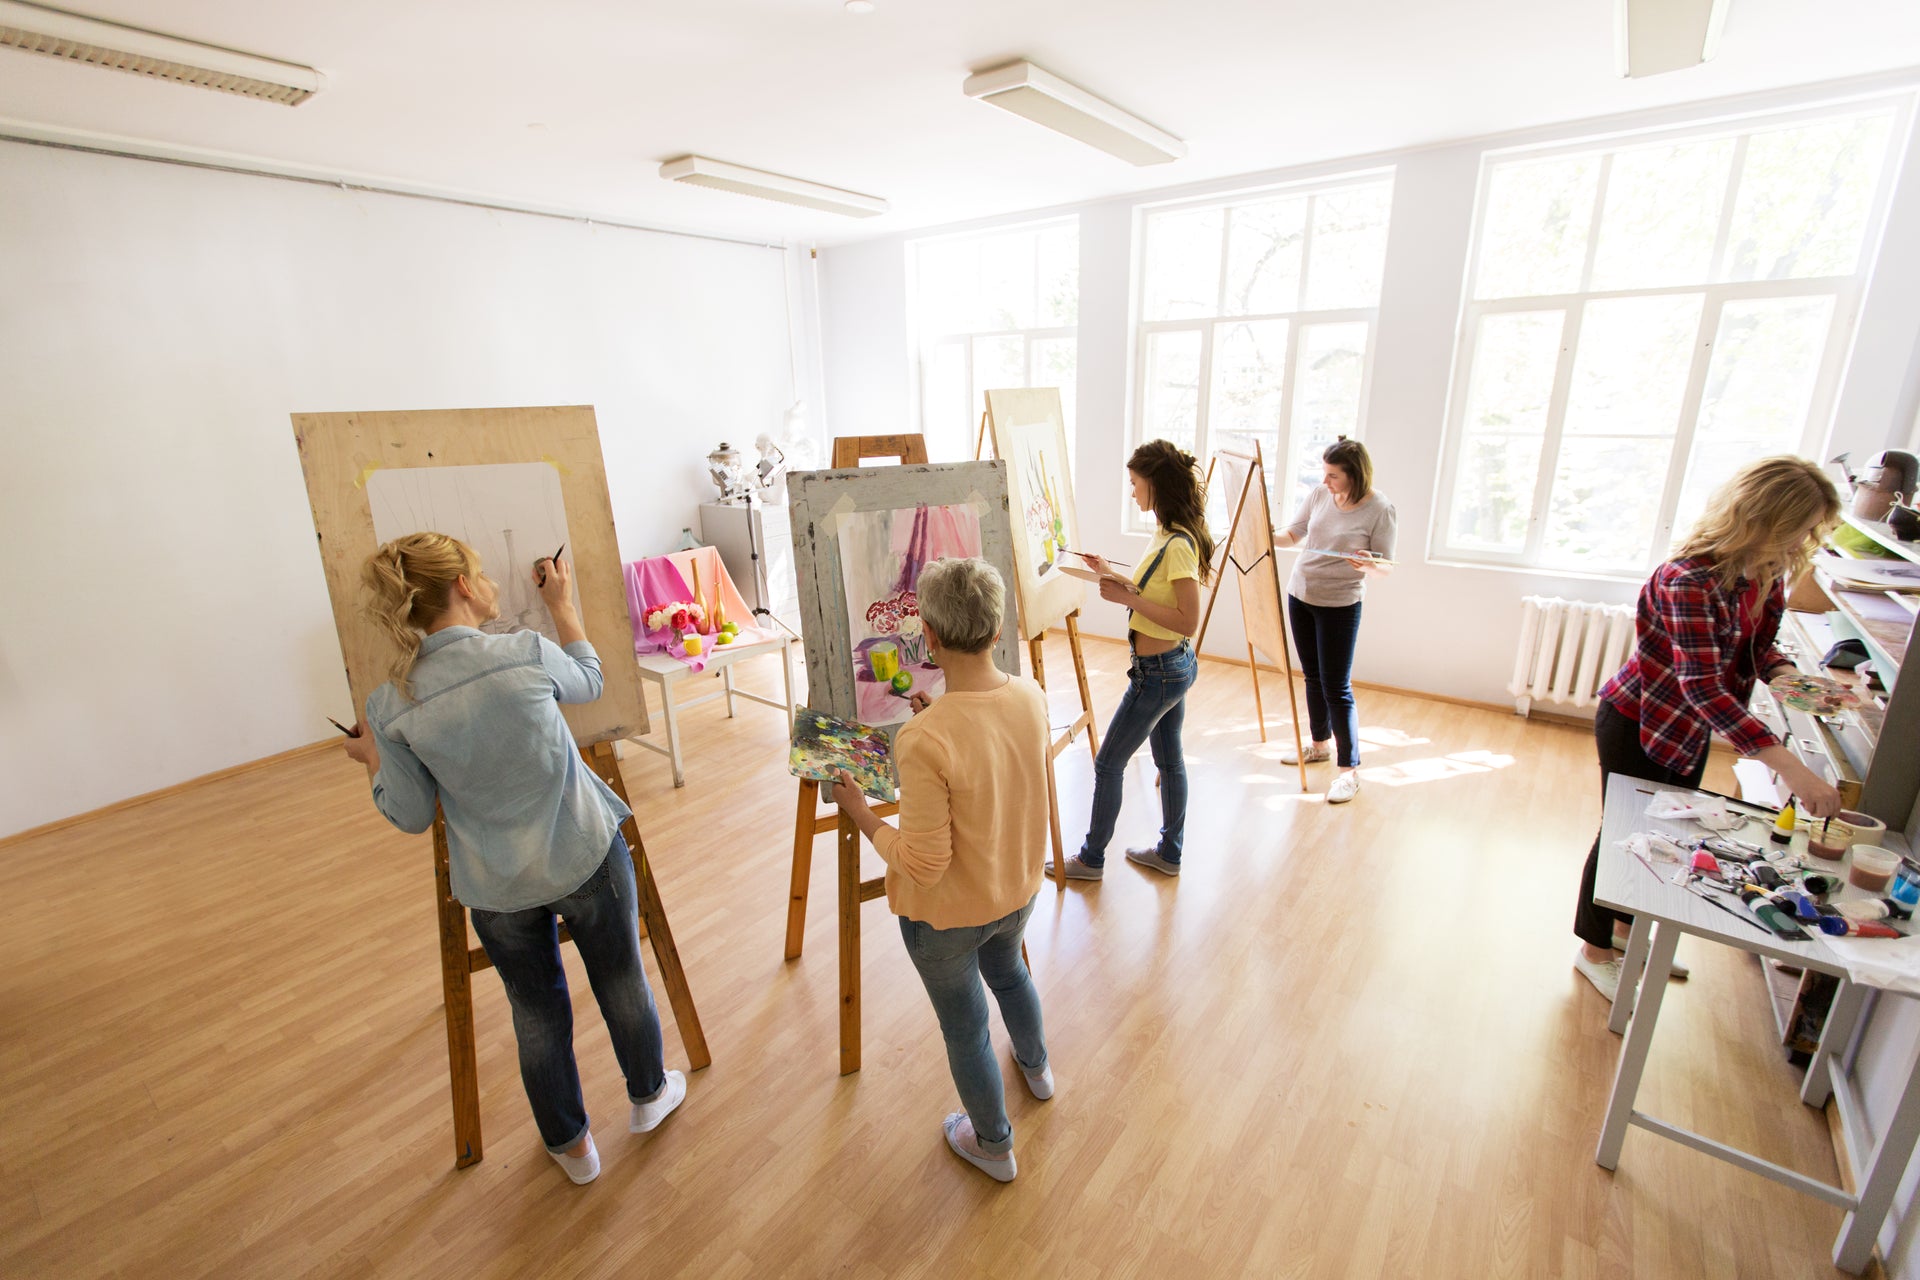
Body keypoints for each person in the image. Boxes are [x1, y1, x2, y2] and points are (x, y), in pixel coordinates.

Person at [342, 532, 684, 1185]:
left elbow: (412, 815)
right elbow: (588, 681)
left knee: (535, 1012)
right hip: (583, 853)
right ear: (465, 586)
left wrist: (373, 762)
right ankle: (647, 1098)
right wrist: (562, 606)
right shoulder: (521, 652)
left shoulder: (391, 704)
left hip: (495, 887)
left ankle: (572, 1147)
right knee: (620, 980)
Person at [1572, 457, 1844, 1001]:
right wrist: (1796, 772)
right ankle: (1594, 951)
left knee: (1663, 835)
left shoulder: (1763, 574)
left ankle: (1627, 936)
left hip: (1687, 729)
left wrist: (1792, 680)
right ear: (1762, 519)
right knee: (1622, 837)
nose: (1801, 544)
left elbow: (1757, 649)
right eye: (1797, 530)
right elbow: (1704, 688)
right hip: (1640, 720)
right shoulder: (1687, 580)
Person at [832, 557, 1053, 1183]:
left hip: (949, 919)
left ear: (927, 636)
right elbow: (988, 758)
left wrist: (862, 814)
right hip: (1016, 891)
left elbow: (924, 865)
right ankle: (1037, 1071)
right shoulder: (1031, 697)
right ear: (996, 625)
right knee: (1010, 975)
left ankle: (994, 1145)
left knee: (967, 1030)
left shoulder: (924, 739)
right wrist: (941, 714)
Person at [1051, 440, 1215, 880]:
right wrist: (1109, 572)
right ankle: (1170, 853)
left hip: (1159, 673)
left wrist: (1125, 597)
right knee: (1170, 762)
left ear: (1154, 485)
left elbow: (1187, 620)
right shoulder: (1165, 532)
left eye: (1134, 484)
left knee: (1107, 763)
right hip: (1170, 668)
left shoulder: (1178, 544)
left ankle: (1090, 859)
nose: (1131, 492)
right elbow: (1153, 592)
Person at [1274, 437, 1397, 805]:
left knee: (1337, 687)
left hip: (1340, 605)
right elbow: (1292, 535)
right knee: (1312, 676)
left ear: (1354, 476)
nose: (1325, 482)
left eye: (1333, 476)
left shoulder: (1380, 509)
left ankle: (1349, 771)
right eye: (1324, 474)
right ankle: (1318, 745)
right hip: (1301, 594)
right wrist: (1260, 532)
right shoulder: (1319, 495)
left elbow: (1385, 568)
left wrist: (1368, 564)